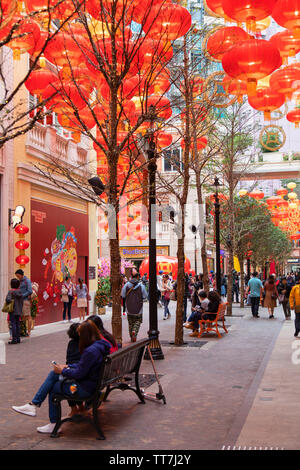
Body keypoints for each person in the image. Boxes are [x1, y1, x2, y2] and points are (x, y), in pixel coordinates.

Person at [12, 321, 111, 434]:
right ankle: (33, 405)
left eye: (80, 335)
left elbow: (79, 374)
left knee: (54, 387)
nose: (79, 338)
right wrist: (68, 366)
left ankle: (50, 421)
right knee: (54, 375)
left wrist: (62, 370)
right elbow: (84, 366)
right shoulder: (100, 345)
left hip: (83, 388)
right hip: (93, 384)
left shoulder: (90, 351)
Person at [121, 268, 148, 342]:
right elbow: (145, 296)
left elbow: (123, 295)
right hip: (138, 309)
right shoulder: (141, 286)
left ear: (131, 277)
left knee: (130, 323)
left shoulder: (126, 285)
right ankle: (134, 332)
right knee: (138, 321)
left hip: (129, 308)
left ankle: (131, 336)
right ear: (138, 277)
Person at [5, 278, 23, 345]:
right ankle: (18, 338)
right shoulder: (20, 292)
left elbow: (8, 300)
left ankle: (14, 339)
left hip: (12, 310)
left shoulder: (11, 292)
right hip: (19, 310)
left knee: (13, 324)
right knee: (18, 324)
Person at [15, 269, 32, 337]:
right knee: (22, 316)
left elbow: (30, 291)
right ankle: (23, 331)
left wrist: (22, 295)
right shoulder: (20, 281)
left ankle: (29, 332)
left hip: (25, 301)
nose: (17, 277)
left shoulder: (27, 281)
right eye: (17, 276)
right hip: (20, 301)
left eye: (18, 276)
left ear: (22, 275)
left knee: (28, 316)